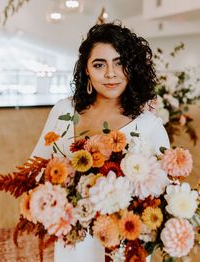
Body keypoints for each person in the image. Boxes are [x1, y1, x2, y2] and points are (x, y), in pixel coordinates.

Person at [31, 21, 170, 262]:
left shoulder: (149, 126)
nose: (110, 74)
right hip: (72, 241)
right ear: (86, 69)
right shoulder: (63, 111)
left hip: (121, 246)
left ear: (132, 67)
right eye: (99, 64)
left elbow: (162, 198)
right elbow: (35, 168)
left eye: (119, 63)